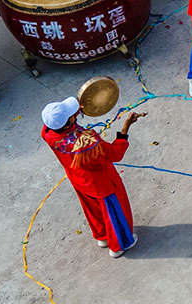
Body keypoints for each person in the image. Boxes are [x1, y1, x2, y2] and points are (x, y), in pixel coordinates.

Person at [41, 98, 144, 258]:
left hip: (79, 180)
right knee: (114, 213)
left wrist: (76, 113)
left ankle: (103, 237)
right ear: (69, 121)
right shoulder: (88, 143)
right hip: (102, 183)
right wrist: (125, 127)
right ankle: (118, 245)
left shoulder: (48, 134)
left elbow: (65, 127)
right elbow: (115, 154)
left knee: (94, 211)